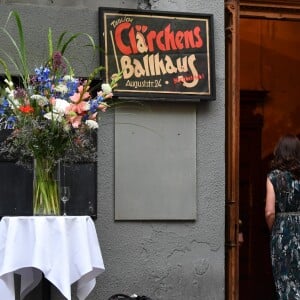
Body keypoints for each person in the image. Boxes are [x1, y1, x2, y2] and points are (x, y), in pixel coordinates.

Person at [265, 134, 300, 299]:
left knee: (285, 280)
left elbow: (270, 212)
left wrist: (276, 229)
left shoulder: (273, 177)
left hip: (282, 232)